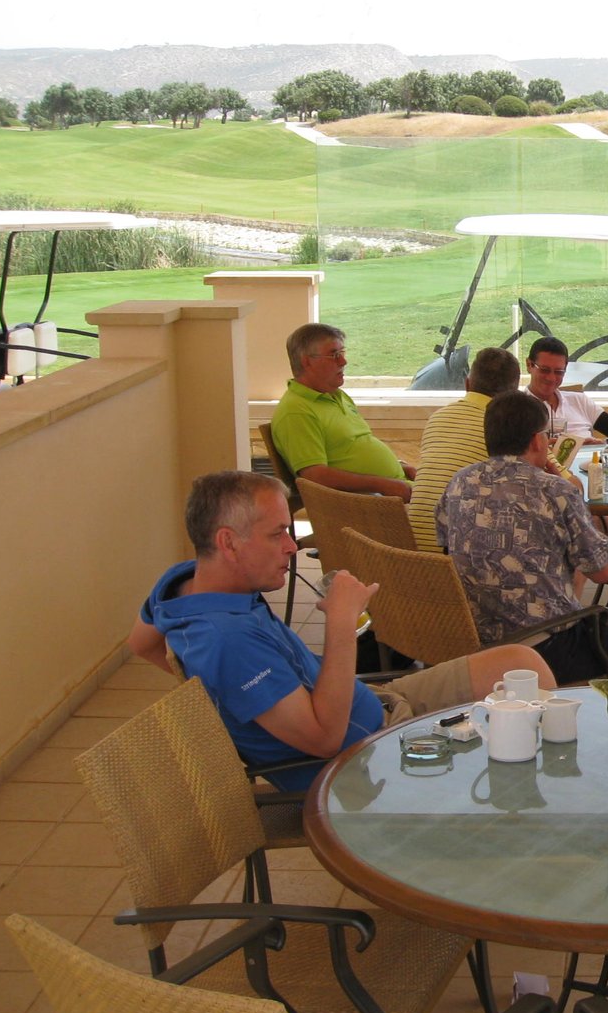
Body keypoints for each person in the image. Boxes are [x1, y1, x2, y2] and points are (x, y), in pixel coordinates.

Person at [127, 471, 551, 791]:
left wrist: (223, 698)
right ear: (228, 542)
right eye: (277, 534)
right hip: (365, 762)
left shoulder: (185, 582)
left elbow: (141, 644)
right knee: (521, 742)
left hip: (374, 703)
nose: (292, 546)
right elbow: (326, 740)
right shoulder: (229, 643)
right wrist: (342, 623)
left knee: (520, 665)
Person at [437, 391, 608, 684]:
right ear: (536, 441)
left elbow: (446, 545)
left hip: (476, 639)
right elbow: (603, 572)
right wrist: (573, 496)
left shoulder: (459, 483)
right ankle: (589, 700)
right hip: (545, 643)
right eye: (545, 435)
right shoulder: (555, 490)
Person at [269, 323, 415, 502]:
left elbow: (352, 449)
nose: (343, 362)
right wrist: (382, 485)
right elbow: (315, 477)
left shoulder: (336, 395)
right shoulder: (297, 412)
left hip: (395, 491)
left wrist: (400, 467)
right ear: (307, 361)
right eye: (334, 355)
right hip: (367, 504)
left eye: (342, 353)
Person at [408, 346, 520, 552]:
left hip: (414, 555)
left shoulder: (437, 418)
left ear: (467, 384)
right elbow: (572, 486)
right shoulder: (509, 426)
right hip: (464, 559)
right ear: (514, 394)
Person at [525, 337, 608, 440]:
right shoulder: (517, 410)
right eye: (544, 370)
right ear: (529, 365)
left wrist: (598, 444)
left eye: (558, 372)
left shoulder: (580, 401)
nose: (551, 378)